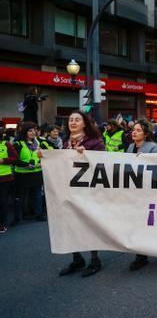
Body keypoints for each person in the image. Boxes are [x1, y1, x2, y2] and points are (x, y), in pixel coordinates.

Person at [58, 110, 106, 277]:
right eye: (70, 120)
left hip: (88, 191)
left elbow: (103, 165)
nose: (73, 122)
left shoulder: (94, 142)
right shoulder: (65, 142)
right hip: (69, 190)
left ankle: (95, 260)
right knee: (71, 224)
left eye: (77, 119)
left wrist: (86, 156)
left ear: (84, 123)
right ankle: (77, 258)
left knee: (88, 224)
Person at [125, 119, 157, 271]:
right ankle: (141, 255)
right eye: (134, 129)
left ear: (146, 134)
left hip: (149, 192)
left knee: (152, 223)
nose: (134, 132)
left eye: (138, 130)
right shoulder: (130, 147)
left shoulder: (153, 147)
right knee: (137, 223)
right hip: (134, 193)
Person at [11, 122, 52, 226]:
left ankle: (38, 214)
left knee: (38, 195)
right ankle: (17, 217)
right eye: (30, 130)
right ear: (25, 132)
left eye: (34, 130)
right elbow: (14, 159)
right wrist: (26, 165)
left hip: (36, 172)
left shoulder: (39, 142)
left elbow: (44, 156)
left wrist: (40, 163)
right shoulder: (18, 143)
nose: (33, 132)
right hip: (22, 174)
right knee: (20, 197)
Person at [0, 130, 18, 233]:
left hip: (4, 178)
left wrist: (3, 160)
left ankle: (2, 223)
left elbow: (15, 157)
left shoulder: (6, 144)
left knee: (2, 202)